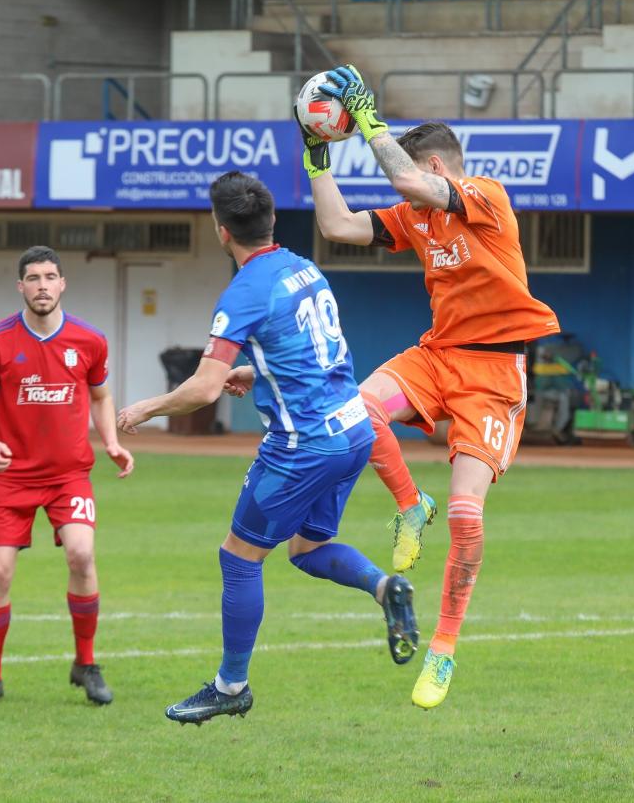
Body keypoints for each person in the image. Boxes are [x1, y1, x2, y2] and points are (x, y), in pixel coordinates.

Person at [117, 171, 418, 725]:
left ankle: (231, 686)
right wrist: (259, 372)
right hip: (354, 430)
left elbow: (203, 389)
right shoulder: (304, 268)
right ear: (272, 221)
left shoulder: (244, 291)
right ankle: (385, 585)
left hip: (304, 445)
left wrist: (146, 408)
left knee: (238, 557)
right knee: (304, 550)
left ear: (220, 230)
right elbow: (312, 354)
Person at [303, 65, 561, 709]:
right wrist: (315, 157)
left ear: (442, 171)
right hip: (438, 356)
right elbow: (337, 226)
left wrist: (366, 117)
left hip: (495, 377)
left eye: (420, 187)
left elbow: (403, 179)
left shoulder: (486, 196)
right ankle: (411, 503)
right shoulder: (416, 215)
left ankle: (443, 651)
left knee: (469, 519)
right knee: (354, 410)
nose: (410, 202)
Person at [0, 246, 134, 705]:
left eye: (50, 276)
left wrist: (111, 442)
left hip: (69, 475)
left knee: (81, 555)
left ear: (62, 284)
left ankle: (86, 664)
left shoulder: (89, 340)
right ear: (21, 286)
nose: (42, 285)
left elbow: (100, 397)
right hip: (12, 478)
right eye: (33, 277)